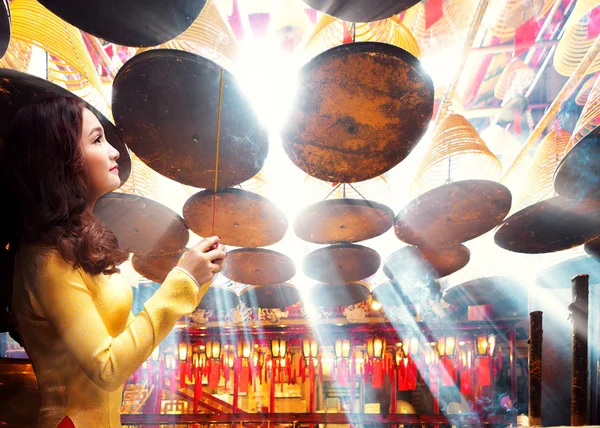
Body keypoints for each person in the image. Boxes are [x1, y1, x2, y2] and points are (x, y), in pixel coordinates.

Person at [0, 96, 226, 428]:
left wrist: (194, 278)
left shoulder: (75, 244)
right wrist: (181, 284)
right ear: (61, 161)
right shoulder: (44, 258)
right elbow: (107, 367)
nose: (114, 151)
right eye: (96, 139)